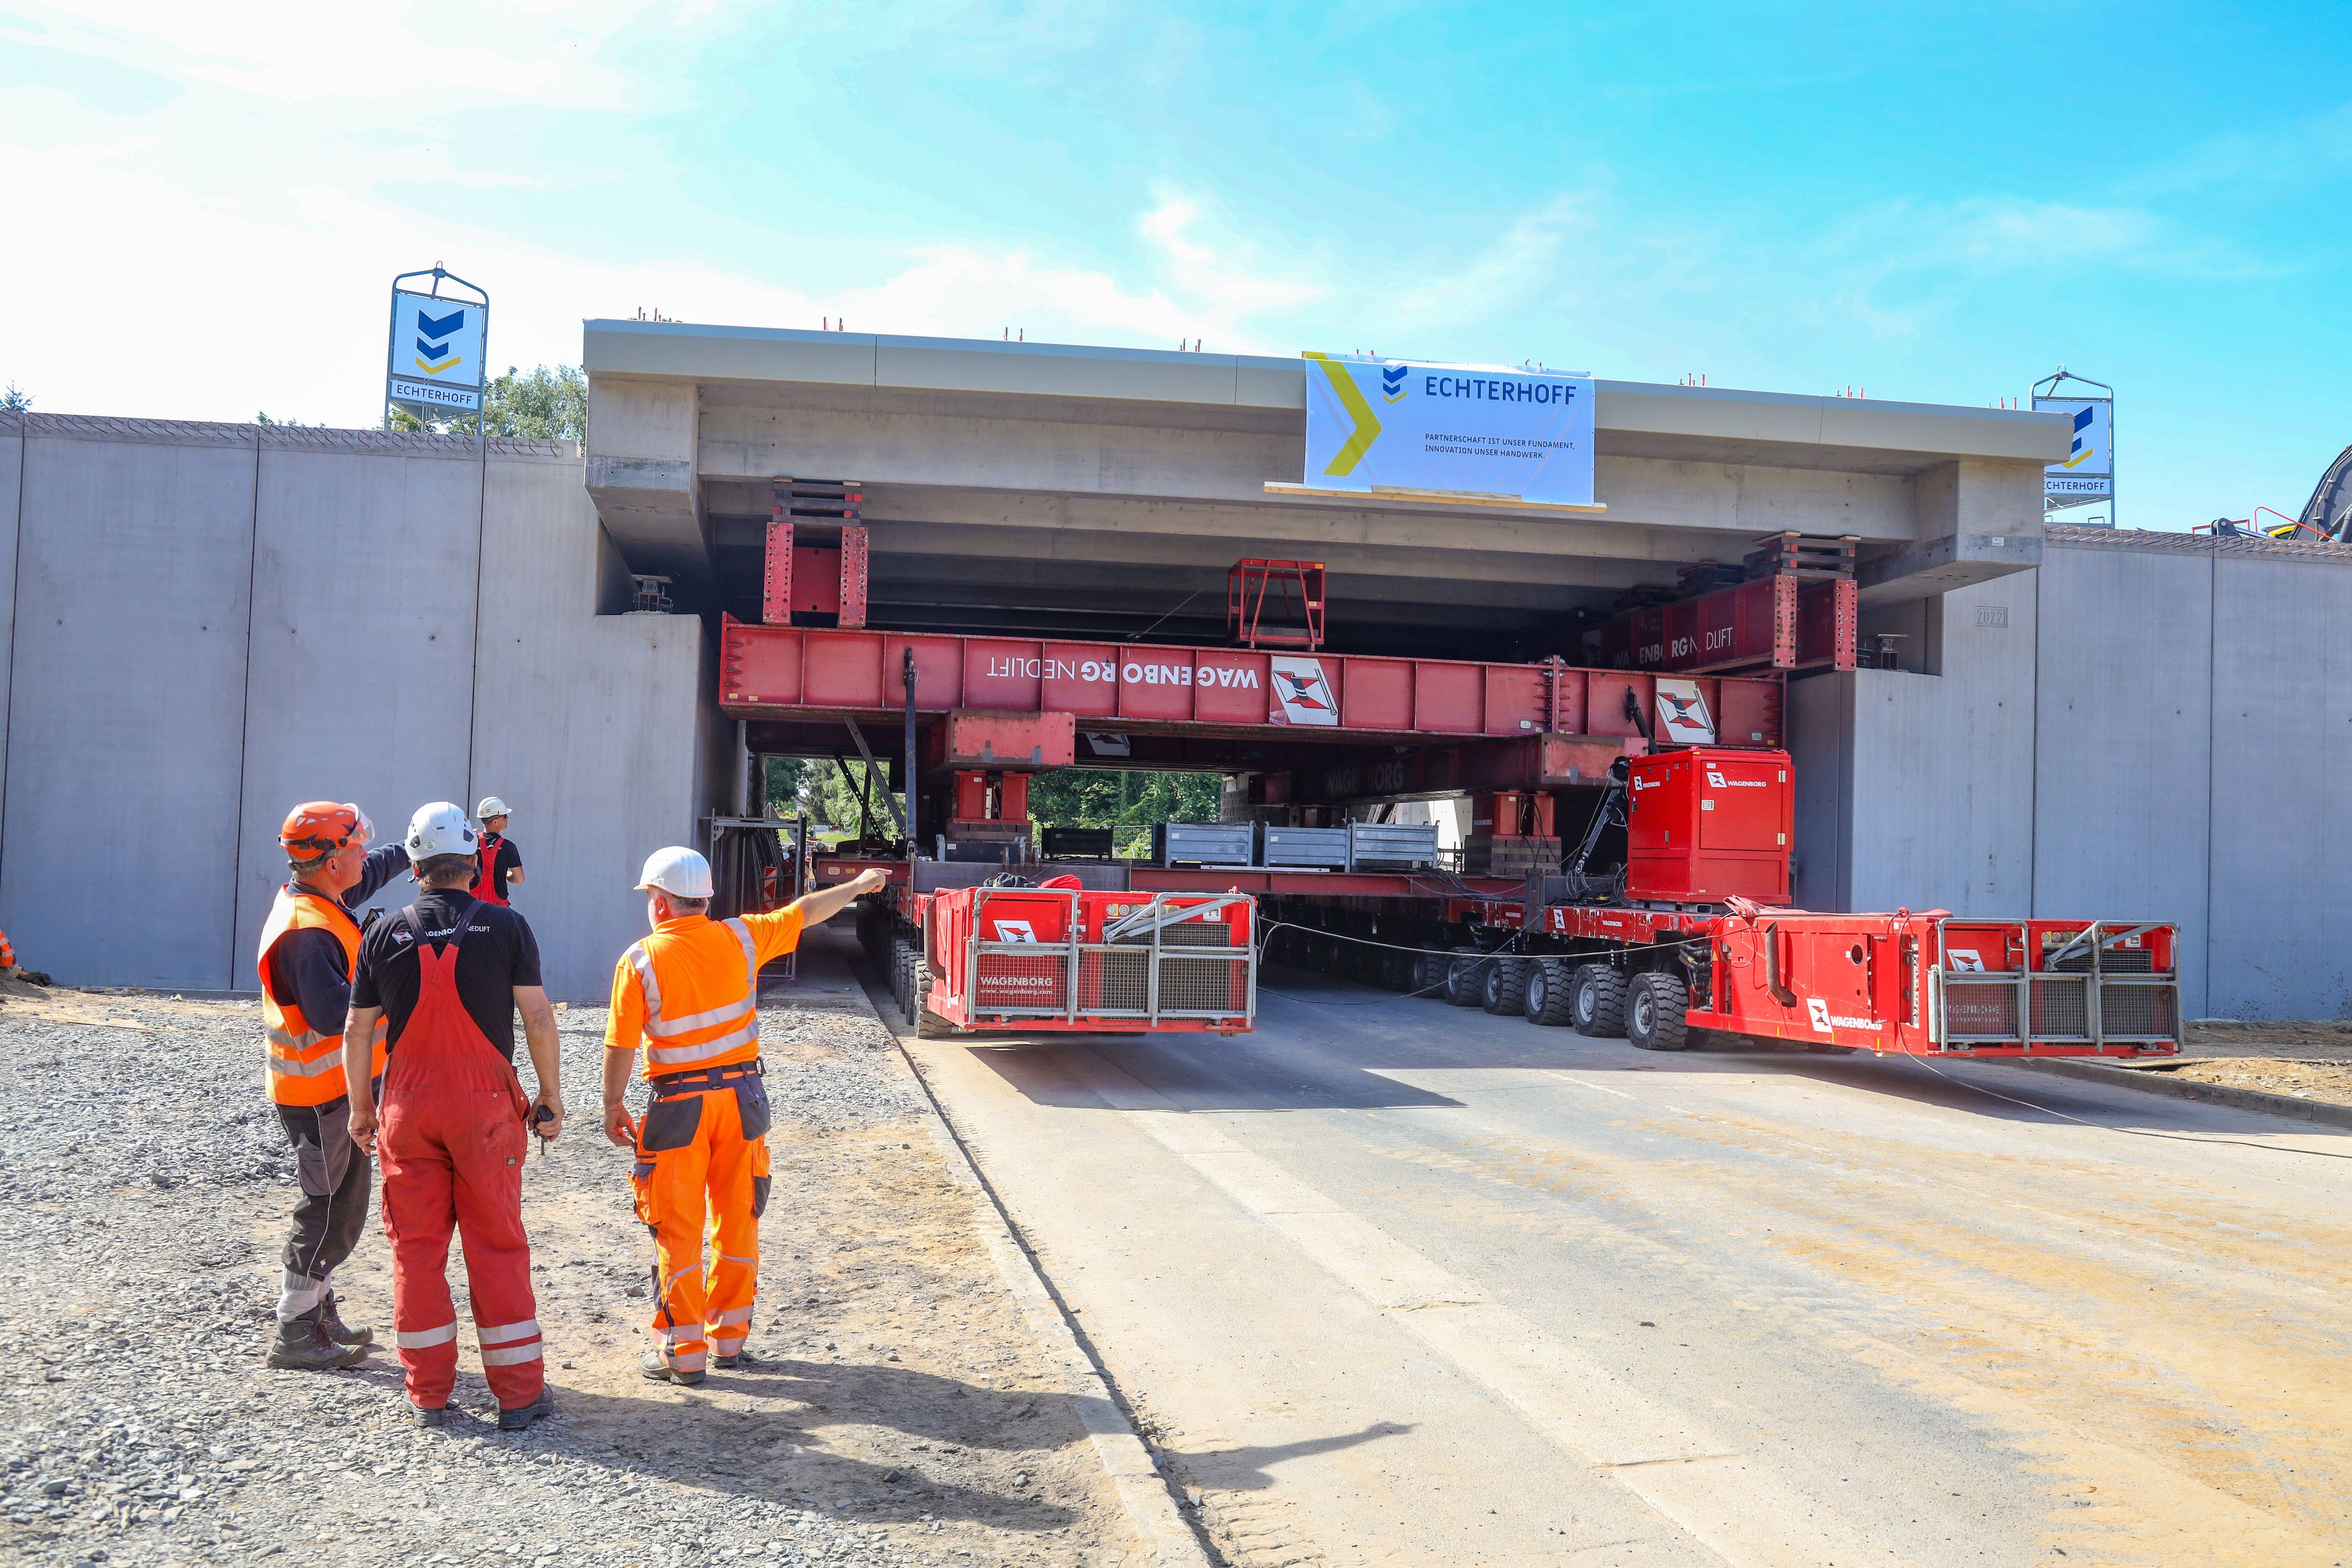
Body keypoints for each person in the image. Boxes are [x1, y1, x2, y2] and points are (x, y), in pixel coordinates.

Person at [603, 850, 888, 1383]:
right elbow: (806, 910)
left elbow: (620, 1045)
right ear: (705, 899)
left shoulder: (640, 960)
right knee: (737, 1216)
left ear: (660, 904)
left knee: (677, 1224)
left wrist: (612, 1103)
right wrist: (861, 884)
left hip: (677, 1108)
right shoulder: (742, 937)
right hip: (742, 1100)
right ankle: (728, 1343)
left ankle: (683, 1355)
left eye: (649, 899)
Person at [345, 803, 564, 1431]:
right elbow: (539, 1017)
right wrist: (550, 1098)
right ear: (474, 861)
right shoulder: (507, 927)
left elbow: (358, 1031)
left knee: (416, 1252)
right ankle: (519, 1397)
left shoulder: (382, 934)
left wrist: (364, 1109)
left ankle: (428, 1395)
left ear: (413, 866)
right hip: (485, 1112)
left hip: (408, 1109)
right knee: (496, 1246)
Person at [256, 801, 412, 1371]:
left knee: (343, 1203)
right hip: (320, 1096)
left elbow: (374, 869)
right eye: (357, 847)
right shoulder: (306, 933)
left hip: (336, 1092)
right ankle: (294, 1329)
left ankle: (318, 1316)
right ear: (330, 860)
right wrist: (398, 987)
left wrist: (416, 849)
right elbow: (332, 1015)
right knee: (329, 1211)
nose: (365, 858)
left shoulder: (323, 897)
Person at [475, 796, 524, 907]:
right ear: (495, 822)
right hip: (498, 909)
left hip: (471, 908)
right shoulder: (508, 847)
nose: (507, 818)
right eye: (505, 816)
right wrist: (505, 874)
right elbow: (520, 879)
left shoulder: (471, 842)